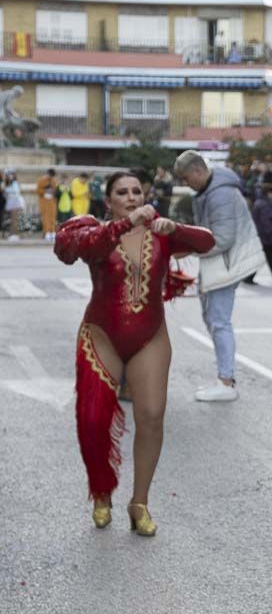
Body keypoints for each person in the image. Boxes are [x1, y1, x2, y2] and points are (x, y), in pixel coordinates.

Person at [54, 172, 214, 532]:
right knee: (93, 418)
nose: (130, 197)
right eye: (121, 193)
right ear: (108, 200)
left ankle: (139, 502)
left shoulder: (160, 234)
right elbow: (71, 249)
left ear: (145, 196)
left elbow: (207, 241)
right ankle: (101, 492)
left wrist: (176, 230)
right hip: (101, 335)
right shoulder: (96, 232)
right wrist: (125, 224)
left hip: (150, 337)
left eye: (136, 192)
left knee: (153, 414)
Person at [173, 150, 266, 402]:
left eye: (185, 178)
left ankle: (226, 382)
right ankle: (224, 379)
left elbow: (223, 238)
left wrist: (190, 249)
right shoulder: (214, 189)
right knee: (214, 318)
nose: (185, 184)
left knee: (218, 320)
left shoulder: (220, 193)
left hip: (226, 264)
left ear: (197, 171)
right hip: (221, 263)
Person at [36, 168, 58, 242]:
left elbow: (55, 190)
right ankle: (47, 232)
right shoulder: (41, 180)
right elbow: (38, 190)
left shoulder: (53, 181)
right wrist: (45, 191)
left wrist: (52, 191)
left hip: (52, 201)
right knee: (46, 217)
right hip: (44, 201)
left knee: (52, 216)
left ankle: (52, 231)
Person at [4, 171, 25, 241]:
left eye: (11, 175)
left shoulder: (15, 183)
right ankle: (13, 234)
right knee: (12, 220)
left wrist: (7, 192)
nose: (10, 177)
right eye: (9, 175)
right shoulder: (8, 183)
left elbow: (16, 192)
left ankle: (15, 235)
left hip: (15, 202)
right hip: (10, 201)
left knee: (14, 220)